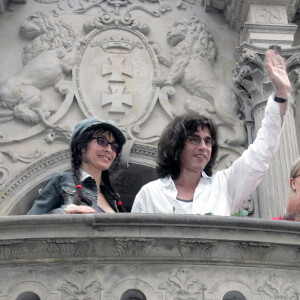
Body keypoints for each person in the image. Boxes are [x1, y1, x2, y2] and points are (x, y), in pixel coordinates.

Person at [131, 49, 291, 215]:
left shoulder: (225, 186)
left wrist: (281, 93)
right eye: (194, 139)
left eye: (208, 141)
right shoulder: (149, 195)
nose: (203, 146)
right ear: (176, 146)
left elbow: (262, 152)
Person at [27, 117, 126, 214]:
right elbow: (29, 224)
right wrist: (64, 212)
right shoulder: (61, 181)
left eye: (114, 146)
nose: (109, 149)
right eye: (102, 141)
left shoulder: (113, 198)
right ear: (82, 146)